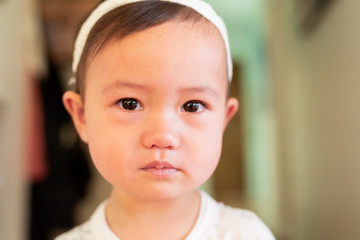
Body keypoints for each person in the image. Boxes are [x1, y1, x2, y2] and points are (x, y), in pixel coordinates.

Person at [57, 0, 275, 239]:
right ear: (81, 117)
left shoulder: (246, 235)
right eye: (130, 103)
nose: (163, 136)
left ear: (223, 120)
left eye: (192, 106)